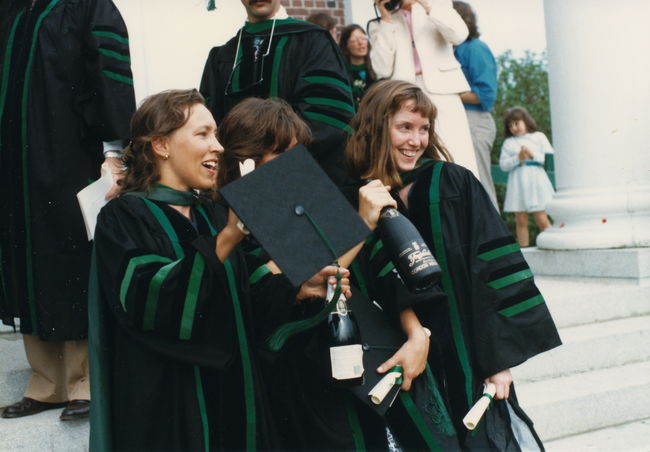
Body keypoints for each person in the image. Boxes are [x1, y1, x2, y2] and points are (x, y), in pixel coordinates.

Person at [88, 89, 349, 451]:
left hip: (231, 395)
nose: (219, 146)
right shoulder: (125, 216)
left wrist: (299, 287)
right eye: (203, 134)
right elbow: (152, 303)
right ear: (161, 145)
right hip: (170, 404)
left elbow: (246, 293)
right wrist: (227, 238)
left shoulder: (209, 214)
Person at [217, 96, 462, 451]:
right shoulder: (231, 224)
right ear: (247, 159)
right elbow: (300, 277)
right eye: (281, 153)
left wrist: (416, 335)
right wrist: (361, 223)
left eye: (298, 152)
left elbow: (380, 268)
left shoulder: (312, 198)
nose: (294, 165)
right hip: (307, 386)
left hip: (373, 360)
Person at [345, 80, 562, 450]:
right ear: (377, 127)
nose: (416, 140)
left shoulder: (453, 183)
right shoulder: (362, 197)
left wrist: (498, 361)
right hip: (402, 354)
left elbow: (492, 270)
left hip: (466, 350)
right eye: (404, 127)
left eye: (423, 129)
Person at [0, 0, 135, 421]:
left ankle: (86, 381)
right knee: (26, 259)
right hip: (14, 166)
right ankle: (46, 382)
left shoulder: (88, 7)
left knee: (71, 256)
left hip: (70, 158)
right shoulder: (10, 9)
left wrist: (115, 150)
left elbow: (109, 80)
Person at [200, 0, 355, 186]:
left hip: (302, 180)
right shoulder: (222, 56)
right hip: (237, 184)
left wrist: (272, 158)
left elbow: (329, 118)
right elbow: (212, 123)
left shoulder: (313, 41)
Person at [368, 0, 479, 178]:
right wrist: (386, 17)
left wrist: (426, 5)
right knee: (413, 151)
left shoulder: (438, 5)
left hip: (443, 90)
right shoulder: (380, 23)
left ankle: (464, 195)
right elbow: (381, 68)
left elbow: (459, 34)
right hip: (404, 94)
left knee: (457, 152)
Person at [453, 0, 499, 209]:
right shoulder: (447, 52)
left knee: (480, 181)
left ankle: (497, 239)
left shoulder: (475, 48)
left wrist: (446, 93)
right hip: (457, 120)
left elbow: (485, 95)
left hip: (476, 121)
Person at [499, 106, 555, 247]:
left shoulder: (538, 137)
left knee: (541, 216)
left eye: (517, 123)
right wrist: (518, 158)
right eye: (510, 125)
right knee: (521, 219)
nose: (514, 127)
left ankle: (551, 245)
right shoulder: (509, 142)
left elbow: (550, 158)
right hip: (518, 182)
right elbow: (503, 165)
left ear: (525, 121)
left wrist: (532, 155)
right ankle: (524, 251)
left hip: (535, 180)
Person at [339, 24, 377, 109]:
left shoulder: (377, 68)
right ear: (346, 45)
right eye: (354, 40)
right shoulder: (342, 72)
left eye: (363, 38)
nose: (360, 43)